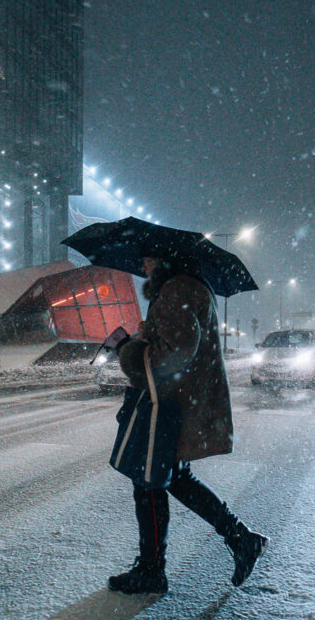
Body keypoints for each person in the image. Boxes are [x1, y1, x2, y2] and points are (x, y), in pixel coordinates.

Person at [109, 254, 268, 594]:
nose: (144, 266)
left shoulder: (177, 290)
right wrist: (147, 335)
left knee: (149, 483)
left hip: (171, 404)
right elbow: (177, 342)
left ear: (166, 259)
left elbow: (175, 352)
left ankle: (153, 571)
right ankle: (239, 538)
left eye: (149, 259)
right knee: (172, 479)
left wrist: (130, 350)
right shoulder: (183, 287)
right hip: (179, 401)